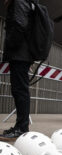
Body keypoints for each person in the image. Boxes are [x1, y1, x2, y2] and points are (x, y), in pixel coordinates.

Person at [2, 0, 35, 139]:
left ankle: (21, 128)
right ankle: (20, 126)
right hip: (22, 54)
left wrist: (10, 46)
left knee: (20, 91)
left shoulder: (19, 1)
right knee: (19, 90)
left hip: (19, 54)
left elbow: (19, 26)